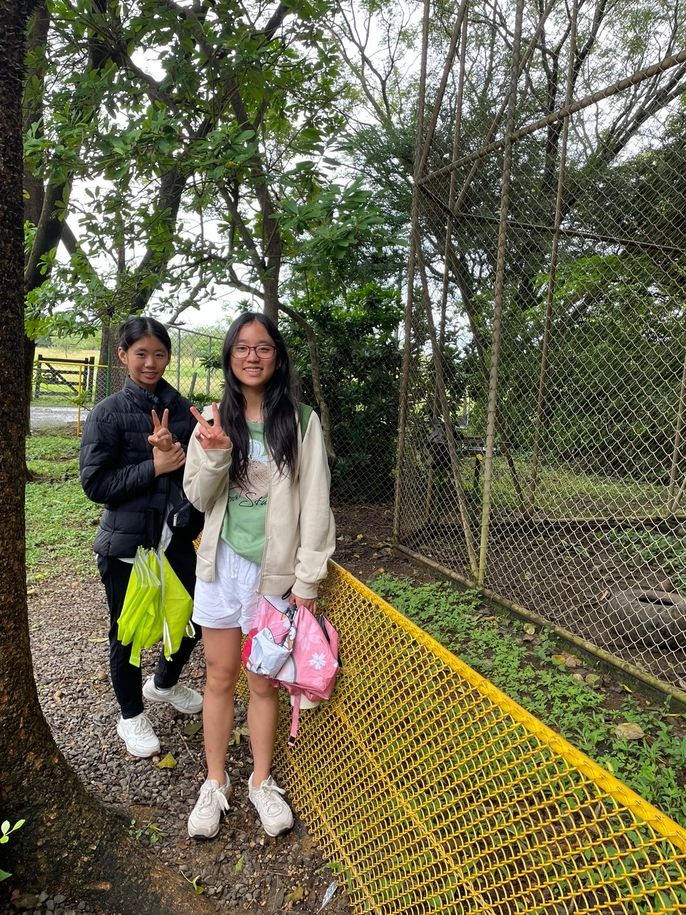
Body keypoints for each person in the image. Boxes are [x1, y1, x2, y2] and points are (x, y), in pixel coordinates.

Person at [183, 312, 335, 839]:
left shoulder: (301, 421)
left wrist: (308, 579)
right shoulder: (211, 419)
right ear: (229, 355)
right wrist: (217, 455)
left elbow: (316, 502)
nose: (253, 356)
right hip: (222, 567)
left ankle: (261, 782)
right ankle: (216, 782)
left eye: (264, 348)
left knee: (263, 682)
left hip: (275, 575)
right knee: (220, 677)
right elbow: (198, 498)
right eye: (243, 347)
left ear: (277, 356)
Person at [80, 316, 203, 759]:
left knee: (194, 619)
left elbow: (200, 479)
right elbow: (96, 485)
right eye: (141, 354)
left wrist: (190, 455)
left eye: (159, 354)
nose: (151, 363)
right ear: (123, 356)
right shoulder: (107, 413)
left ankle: (163, 685)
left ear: (168, 357)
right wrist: (154, 465)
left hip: (174, 540)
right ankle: (130, 715)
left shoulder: (184, 409)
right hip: (125, 544)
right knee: (127, 632)